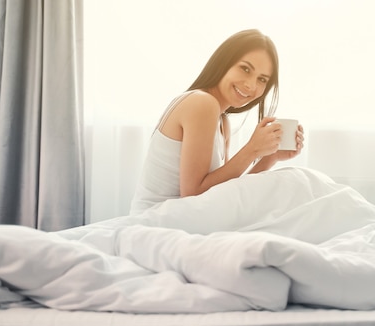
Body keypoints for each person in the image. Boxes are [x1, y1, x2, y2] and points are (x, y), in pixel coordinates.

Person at [130, 29, 304, 214]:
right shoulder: (202, 103)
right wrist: (252, 149)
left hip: (179, 220)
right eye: (245, 69)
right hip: (156, 223)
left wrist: (270, 157)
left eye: (261, 79)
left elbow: (224, 193)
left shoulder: (222, 122)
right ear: (224, 62)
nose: (251, 85)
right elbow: (193, 194)